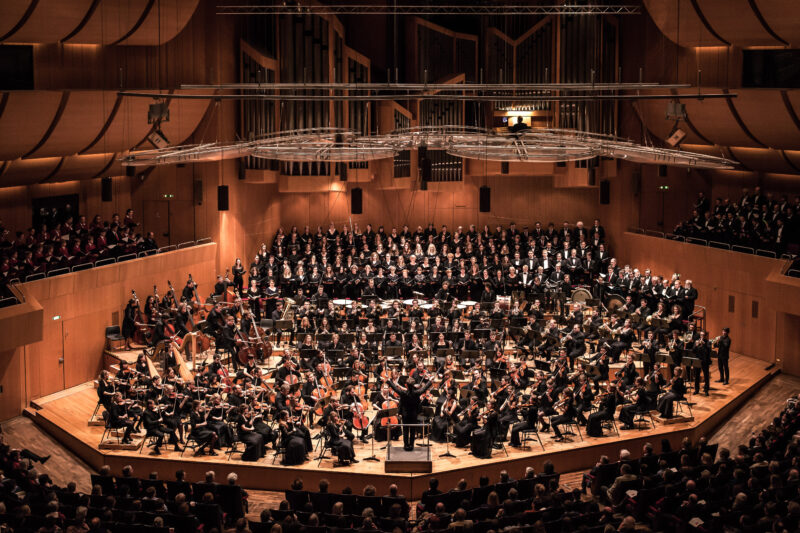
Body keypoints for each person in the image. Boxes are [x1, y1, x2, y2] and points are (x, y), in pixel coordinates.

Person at [387, 375, 433, 451]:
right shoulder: (417, 393)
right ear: (413, 385)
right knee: (412, 431)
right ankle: (411, 446)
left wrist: (389, 381)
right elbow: (424, 388)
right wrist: (430, 381)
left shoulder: (403, 393)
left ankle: (406, 446)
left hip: (405, 415)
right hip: (414, 414)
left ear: (406, 385)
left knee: (405, 431)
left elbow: (395, 388)